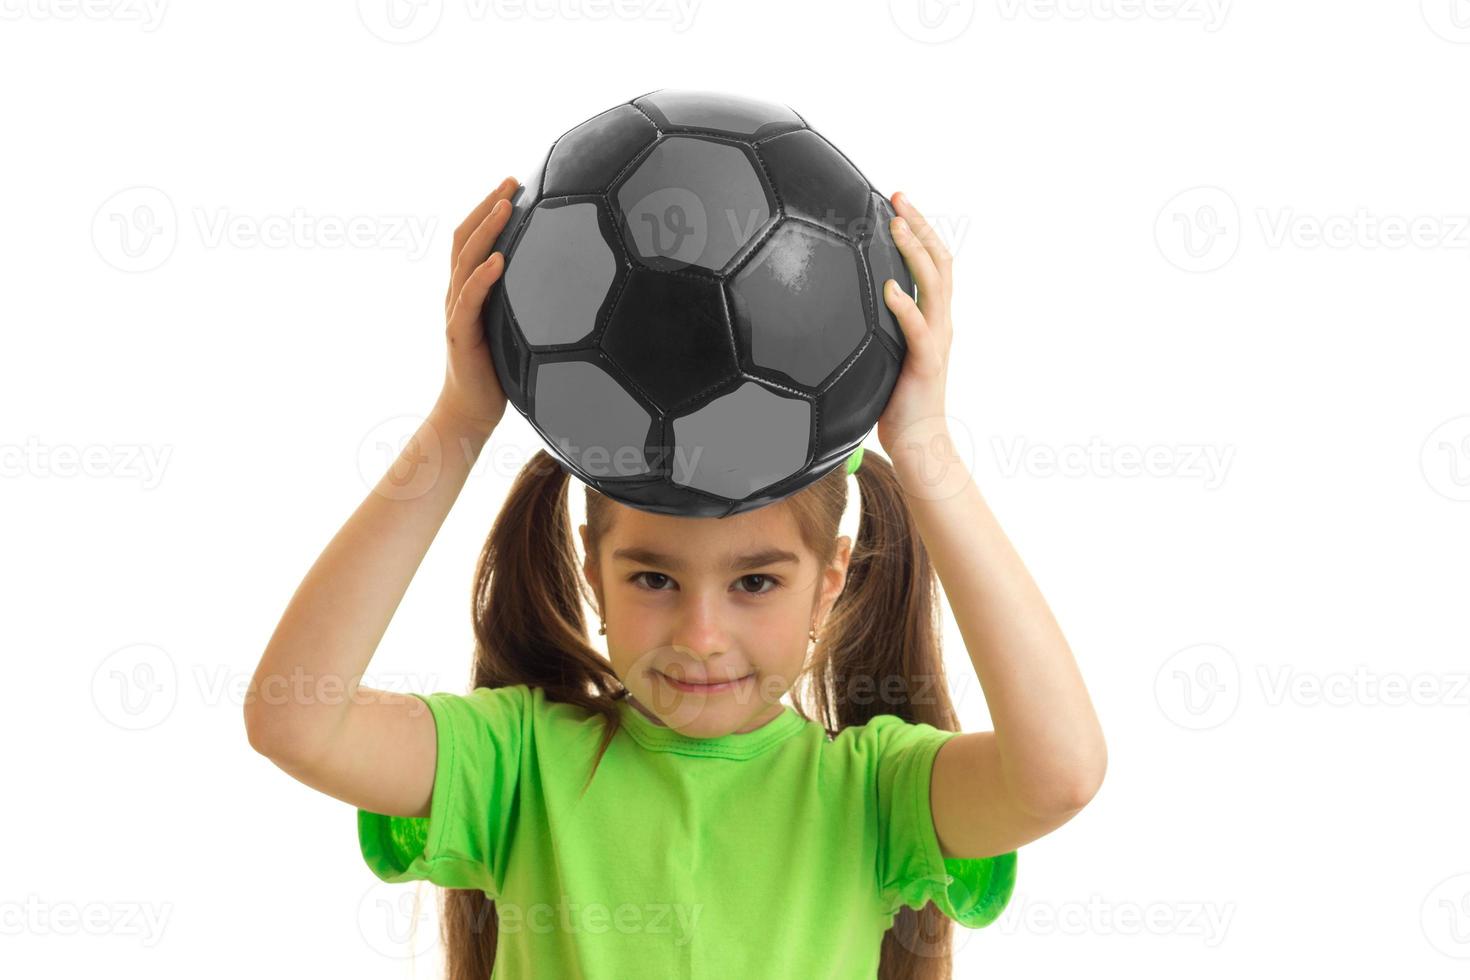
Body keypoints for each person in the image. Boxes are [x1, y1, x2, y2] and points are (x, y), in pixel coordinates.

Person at [243, 177, 1107, 980]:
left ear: (829, 580)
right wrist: (461, 419)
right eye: (654, 579)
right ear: (593, 568)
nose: (700, 637)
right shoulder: (517, 765)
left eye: (756, 584)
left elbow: (1060, 773)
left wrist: (925, 450)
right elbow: (295, 716)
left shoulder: (872, 794)